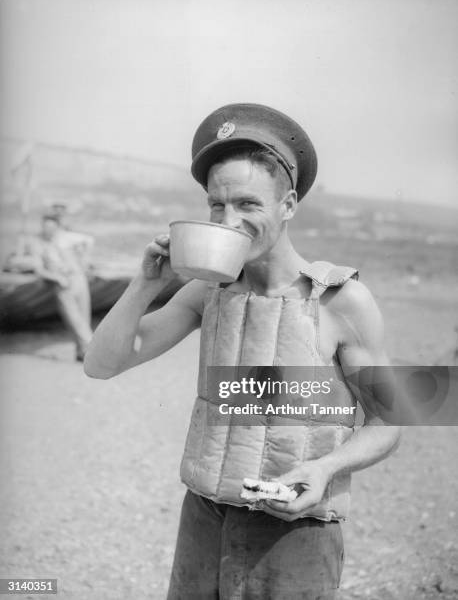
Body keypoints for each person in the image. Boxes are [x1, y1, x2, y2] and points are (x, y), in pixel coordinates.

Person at [84, 103, 401, 599]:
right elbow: (101, 365)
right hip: (203, 518)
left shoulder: (342, 299)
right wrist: (145, 284)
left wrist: (323, 469)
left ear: (289, 204)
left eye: (248, 204)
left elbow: (390, 421)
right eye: (217, 205)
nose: (229, 220)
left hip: (293, 534)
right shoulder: (207, 292)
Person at [17, 213, 94, 361]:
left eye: (52, 227)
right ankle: (93, 349)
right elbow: (39, 269)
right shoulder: (37, 243)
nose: (48, 230)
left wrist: (85, 259)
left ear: (57, 227)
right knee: (74, 320)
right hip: (62, 283)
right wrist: (57, 278)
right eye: (45, 227)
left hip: (78, 277)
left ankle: (81, 353)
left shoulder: (66, 237)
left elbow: (89, 240)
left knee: (84, 318)